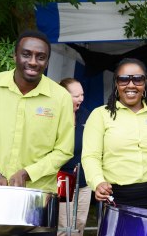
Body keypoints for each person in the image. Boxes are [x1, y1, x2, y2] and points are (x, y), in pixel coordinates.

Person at [0, 30, 74, 193]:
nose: (33, 62)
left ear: (47, 62)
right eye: (26, 54)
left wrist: (28, 173)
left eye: (41, 57)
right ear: (15, 56)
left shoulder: (61, 97)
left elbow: (64, 150)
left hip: (38, 195)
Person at [82, 58, 147, 213]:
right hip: (117, 197)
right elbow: (91, 156)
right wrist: (98, 182)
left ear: (145, 83)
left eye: (137, 79)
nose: (131, 85)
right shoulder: (100, 115)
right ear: (116, 83)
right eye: (124, 79)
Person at [57, 78, 91, 236]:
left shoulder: (86, 115)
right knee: (64, 225)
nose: (81, 99)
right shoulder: (54, 116)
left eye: (82, 95)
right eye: (76, 96)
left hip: (84, 180)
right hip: (63, 180)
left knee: (80, 224)